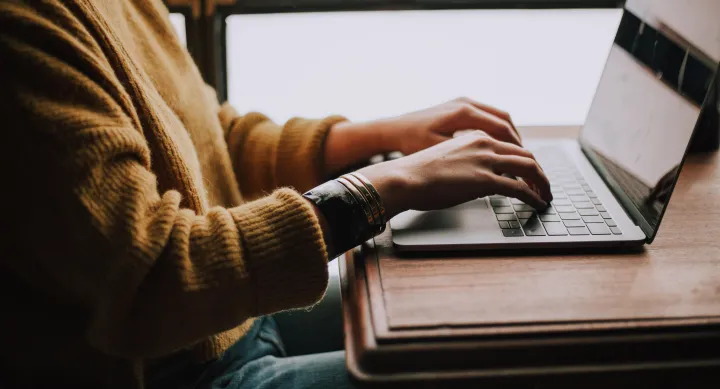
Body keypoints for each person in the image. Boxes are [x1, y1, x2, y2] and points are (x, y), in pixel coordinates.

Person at [0, 1, 552, 388]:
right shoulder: (20, 29)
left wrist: (382, 136)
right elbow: (154, 279)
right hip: (171, 370)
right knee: (507, 372)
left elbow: (206, 140)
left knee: (500, 327)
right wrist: (387, 185)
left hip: (226, 323)